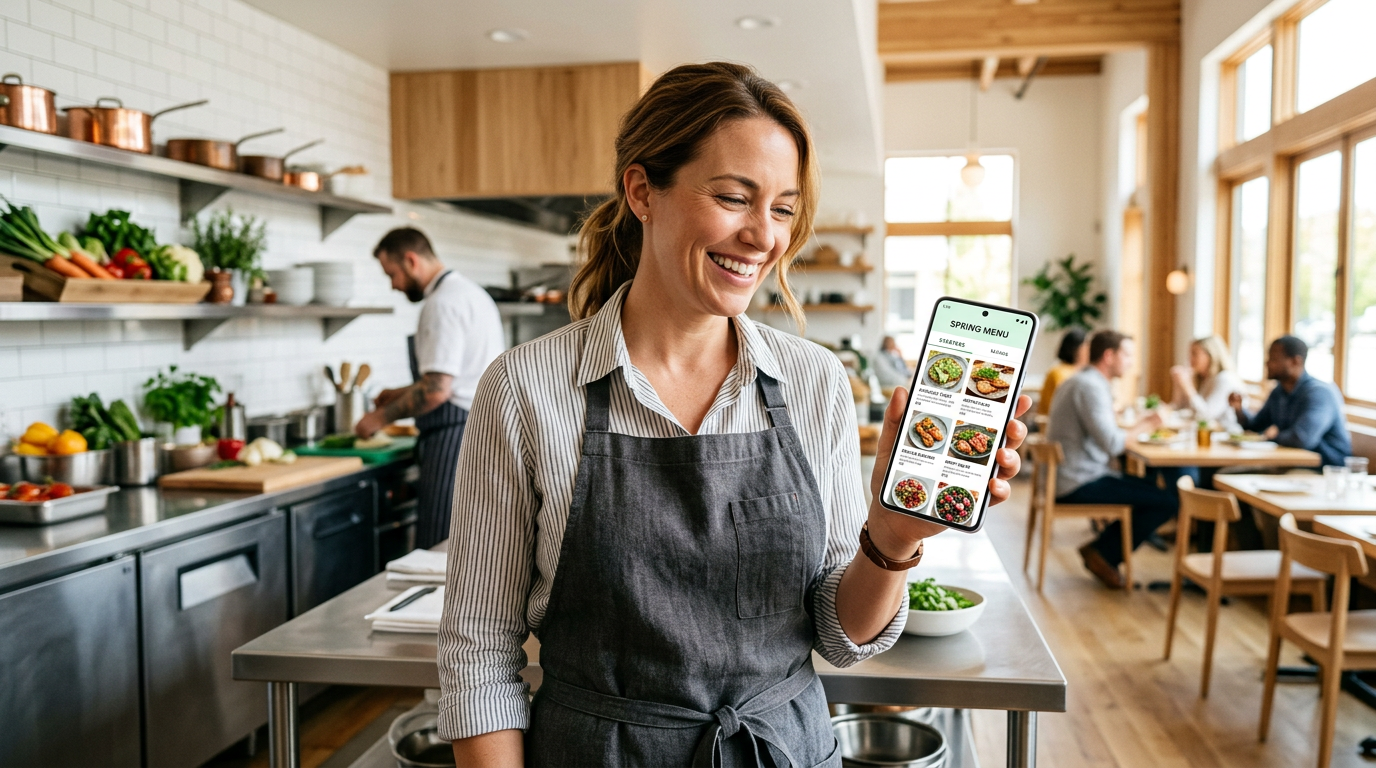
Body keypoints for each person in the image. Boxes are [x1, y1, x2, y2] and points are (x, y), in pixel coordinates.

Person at [436, 62, 1030, 767]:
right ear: (641, 190)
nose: (762, 236)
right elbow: (478, 653)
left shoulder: (814, 382)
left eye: (782, 208)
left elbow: (840, 636)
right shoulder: (526, 388)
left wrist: (892, 537)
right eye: (733, 197)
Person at [354, 227, 503, 548]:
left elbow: (437, 390)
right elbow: (456, 375)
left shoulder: (441, 304)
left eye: (392, 274)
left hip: (454, 437)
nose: (393, 285)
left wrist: (378, 419)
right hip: (478, 429)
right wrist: (400, 394)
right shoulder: (470, 293)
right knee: (464, 544)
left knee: (439, 545)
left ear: (411, 260)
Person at [1046, 330, 1179, 589]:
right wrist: (1148, 422)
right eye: (1127, 354)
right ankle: (1103, 553)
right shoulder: (1090, 386)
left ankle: (1101, 550)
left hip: (1071, 474)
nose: (1131, 361)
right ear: (1109, 356)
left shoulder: (1083, 381)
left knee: (1153, 488)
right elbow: (1113, 444)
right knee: (1167, 500)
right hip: (1077, 482)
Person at [1228, 335, 1351, 467]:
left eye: (1274, 359)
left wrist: (1271, 437)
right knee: (1221, 474)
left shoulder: (1319, 393)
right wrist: (1239, 410)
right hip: (1290, 463)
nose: (1267, 363)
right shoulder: (1279, 391)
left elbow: (1302, 439)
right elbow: (1256, 426)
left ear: (1295, 362)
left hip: (1324, 468)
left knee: (1229, 476)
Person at [1170, 335, 1243, 428]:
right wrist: (1178, 385)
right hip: (1207, 433)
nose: (1190, 359)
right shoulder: (1204, 379)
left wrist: (1187, 387)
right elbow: (1178, 407)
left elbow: (1205, 416)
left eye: (1194, 354)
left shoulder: (1225, 379)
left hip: (1225, 435)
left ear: (1210, 355)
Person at [1036, 328, 1087, 418]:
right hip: (1052, 423)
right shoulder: (1060, 372)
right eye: (1087, 347)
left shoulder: (1079, 372)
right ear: (1077, 349)